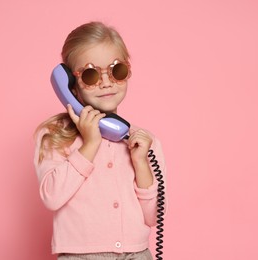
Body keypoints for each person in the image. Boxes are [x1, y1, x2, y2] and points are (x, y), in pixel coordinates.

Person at [34, 21, 167, 260]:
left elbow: (153, 217)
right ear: (70, 86)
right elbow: (51, 197)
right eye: (91, 74)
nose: (106, 83)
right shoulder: (54, 136)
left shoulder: (145, 142)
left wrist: (141, 163)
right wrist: (90, 144)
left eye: (117, 70)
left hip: (137, 254)